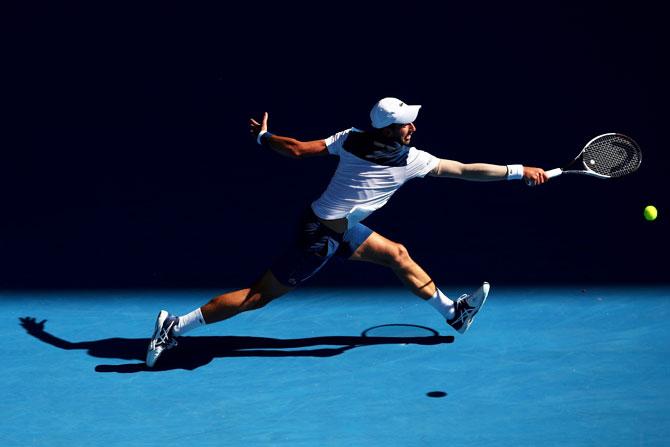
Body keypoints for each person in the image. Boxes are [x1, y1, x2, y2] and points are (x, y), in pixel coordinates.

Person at [145, 97, 548, 367]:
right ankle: (175, 326)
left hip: (328, 222)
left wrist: (265, 137)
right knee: (257, 297)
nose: (413, 128)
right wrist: (518, 172)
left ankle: (454, 314)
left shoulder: (351, 138)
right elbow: (464, 170)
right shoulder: (412, 161)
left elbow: (299, 150)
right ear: (390, 130)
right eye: (406, 124)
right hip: (318, 239)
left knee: (397, 254)